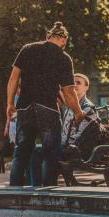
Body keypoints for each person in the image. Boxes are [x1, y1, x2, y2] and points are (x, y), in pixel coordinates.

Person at [6, 21, 85, 186]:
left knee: (21, 152)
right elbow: (69, 92)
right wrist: (78, 112)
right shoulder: (64, 58)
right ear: (64, 40)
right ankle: (48, 191)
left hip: (25, 106)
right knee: (51, 153)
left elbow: (13, 79)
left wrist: (9, 104)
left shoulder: (27, 49)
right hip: (48, 108)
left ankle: (13, 194)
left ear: (48, 36)